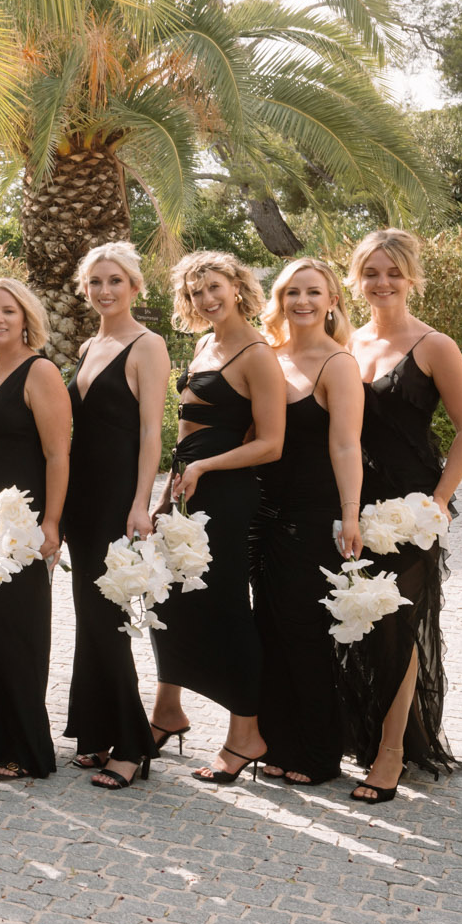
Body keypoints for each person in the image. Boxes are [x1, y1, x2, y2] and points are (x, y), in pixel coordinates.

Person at [344, 228, 462, 804]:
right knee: (358, 620)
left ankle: (393, 750)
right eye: (371, 272)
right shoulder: (347, 341)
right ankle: (362, 731)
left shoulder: (435, 346)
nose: (382, 283)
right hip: (355, 504)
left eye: (392, 272)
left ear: (411, 278)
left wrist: (439, 501)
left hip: (411, 510)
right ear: (355, 279)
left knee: (399, 625)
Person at [151, 250, 286, 786]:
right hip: (188, 491)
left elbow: (272, 444)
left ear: (237, 285)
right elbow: (188, 433)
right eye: (195, 292)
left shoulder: (257, 353)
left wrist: (204, 466)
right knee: (169, 602)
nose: (206, 299)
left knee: (226, 610)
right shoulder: (205, 344)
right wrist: (171, 485)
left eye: (214, 287)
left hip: (226, 496)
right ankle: (167, 711)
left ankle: (246, 734)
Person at [60, 242, 168, 791]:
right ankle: (95, 732)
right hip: (80, 496)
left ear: (134, 286)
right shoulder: (90, 343)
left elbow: (152, 431)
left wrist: (140, 502)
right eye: (96, 282)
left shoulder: (147, 346)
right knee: (89, 615)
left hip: (117, 498)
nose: (105, 290)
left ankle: (131, 746)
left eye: (115, 281)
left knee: (108, 619)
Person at [253, 258, 363, 787]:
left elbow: (346, 443)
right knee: (268, 633)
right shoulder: (268, 357)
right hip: (264, 514)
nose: (302, 301)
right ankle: (277, 743)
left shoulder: (337, 363)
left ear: (332, 300)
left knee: (306, 635)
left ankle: (319, 754)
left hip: (312, 515)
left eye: (313, 292)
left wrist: (349, 515)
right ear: (279, 299)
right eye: (292, 291)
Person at [0, 278, 70, 781]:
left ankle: (25, 747)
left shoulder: (39, 370)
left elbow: (57, 454)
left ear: (26, 317)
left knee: (18, 631)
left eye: (8, 311)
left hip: (19, 523)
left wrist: (51, 523)